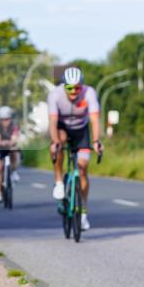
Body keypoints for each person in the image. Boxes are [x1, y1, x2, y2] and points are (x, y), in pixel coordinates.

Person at [47, 66, 102, 230]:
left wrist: (97, 141)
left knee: (83, 168)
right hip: (62, 127)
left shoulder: (89, 93)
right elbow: (52, 122)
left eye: (77, 87)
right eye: (69, 88)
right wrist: (55, 142)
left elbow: (94, 120)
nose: (74, 91)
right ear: (64, 86)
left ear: (82, 86)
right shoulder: (55, 95)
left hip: (81, 130)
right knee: (59, 143)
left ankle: (83, 212)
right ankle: (58, 182)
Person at [0, 106, 20, 202]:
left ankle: (14, 171)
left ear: (10, 118)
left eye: (7, 119)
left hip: (9, 147)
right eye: (3, 119)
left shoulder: (14, 125)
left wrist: (11, 143)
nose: (5, 122)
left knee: (14, 150)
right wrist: (3, 143)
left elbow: (15, 138)